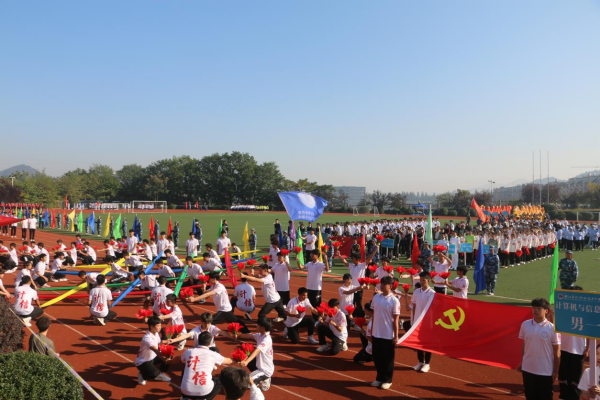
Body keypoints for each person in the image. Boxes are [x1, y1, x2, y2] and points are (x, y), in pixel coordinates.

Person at [517, 297, 561, 400]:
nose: (535, 310)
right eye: (533, 308)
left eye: (539, 308)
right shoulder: (525, 324)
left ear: (546, 311)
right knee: (530, 396)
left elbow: (557, 352)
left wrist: (555, 371)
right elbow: (524, 344)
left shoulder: (552, 328)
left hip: (545, 371)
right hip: (528, 369)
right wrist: (523, 361)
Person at [180, 331, 234, 400]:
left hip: (185, 391)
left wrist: (169, 360)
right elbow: (229, 361)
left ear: (198, 341)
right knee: (220, 381)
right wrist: (241, 359)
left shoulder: (189, 351)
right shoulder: (213, 354)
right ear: (210, 343)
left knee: (184, 371)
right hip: (204, 393)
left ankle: (184, 398)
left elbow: (178, 359)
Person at [370, 276, 401, 389]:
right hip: (376, 333)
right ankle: (379, 378)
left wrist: (396, 336)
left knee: (388, 359)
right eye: (381, 283)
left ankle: (387, 380)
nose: (381, 285)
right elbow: (374, 315)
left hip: (387, 334)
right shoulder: (376, 297)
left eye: (384, 284)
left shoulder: (394, 301)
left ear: (390, 286)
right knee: (377, 357)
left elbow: (396, 320)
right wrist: (372, 330)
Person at [233, 318, 274, 392]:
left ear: (263, 327)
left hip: (265, 370)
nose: (256, 325)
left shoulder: (266, 339)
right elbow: (250, 336)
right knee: (247, 355)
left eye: (258, 325)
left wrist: (246, 362)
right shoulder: (261, 335)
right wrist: (239, 335)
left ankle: (265, 379)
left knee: (244, 383)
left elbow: (257, 351)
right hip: (260, 366)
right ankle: (257, 379)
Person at [338, 247, 378, 316]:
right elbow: (345, 261)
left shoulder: (363, 265)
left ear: (358, 260)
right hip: (351, 288)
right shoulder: (351, 266)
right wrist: (339, 255)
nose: (352, 260)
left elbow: (369, 258)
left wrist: (375, 250)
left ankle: (360, 316)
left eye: (353, 258)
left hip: (360, 288)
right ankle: (352, 316)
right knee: (351, 303)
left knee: (359, 303)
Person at [409, 271, 435, 373]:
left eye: (424, 280)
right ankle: (420, 361)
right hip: (417, 322)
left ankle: (427, 363)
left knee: (427, 343)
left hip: (428, 323)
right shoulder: (416, 292)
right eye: (421, 280)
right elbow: (414, 305)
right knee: (418, 343)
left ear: (428, 280)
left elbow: (434, 309)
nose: (422, 282)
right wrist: (413, 320)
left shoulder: (432, 293)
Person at [134, 316, 171, 385]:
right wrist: (162, 356)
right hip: (143, 362)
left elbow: (159, 343)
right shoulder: (147, 338)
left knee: (169, 355)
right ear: (151, 326)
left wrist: (167, 341)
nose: (160, 327)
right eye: (158, 326)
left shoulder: (156, 334)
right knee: (154, 374)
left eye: (160, 325)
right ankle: (142, 374)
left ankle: (161, 373)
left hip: (153, 358)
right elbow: (154, 349)